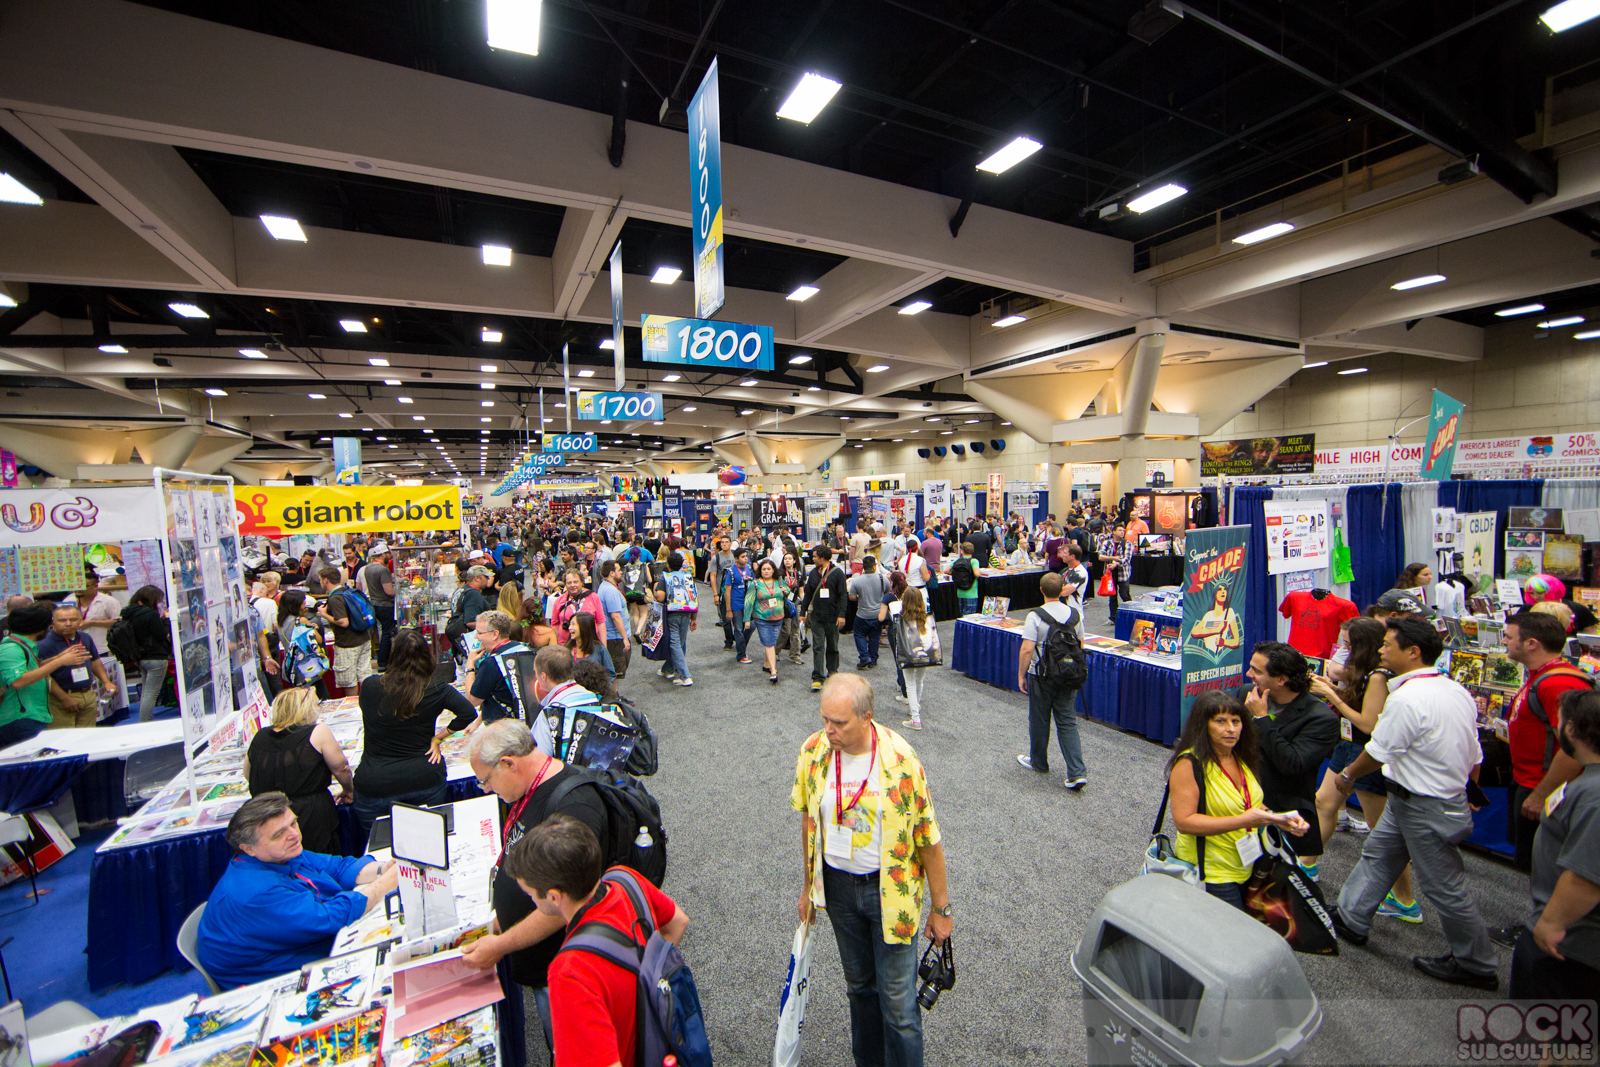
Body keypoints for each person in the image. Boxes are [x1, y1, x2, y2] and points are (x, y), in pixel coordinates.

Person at [791, 674, 950, 1067]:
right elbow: (810, 822)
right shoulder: (813, 752)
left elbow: (927, 838)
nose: (828, 730)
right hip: (838, 890)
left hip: (891, 894)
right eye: (825, 719)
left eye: (839, 722)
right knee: (860, 989)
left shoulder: (901, 759)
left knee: (898, 1004)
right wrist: (809, 888)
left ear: (866, 717)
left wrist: (941, 908)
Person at [1331, 616, 1498, 990]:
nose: (1381, 650)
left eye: (1387, 644)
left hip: (1426, 804)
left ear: (1413, 652)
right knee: (1378, 856)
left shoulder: (1406, 698)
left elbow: (1378, 751)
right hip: (1412, 798)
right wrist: (1468, 789)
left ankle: (1477, 964)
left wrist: (1347, 776)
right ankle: (1350, 918)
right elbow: (1474, 753)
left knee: (1443, 886)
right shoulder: (1453, 689)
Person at [458, 721, 610, 1050]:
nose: (486, 789)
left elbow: (561, 905)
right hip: (542, 961)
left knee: (572, 1047)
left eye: (486, 780)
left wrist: (501, 945)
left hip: (562, 966)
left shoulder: (573, 806)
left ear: (508, 763)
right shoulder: (530, 788)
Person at [499, 814, 687, 1064]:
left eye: (531, 894)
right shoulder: (626, 879)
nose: (531, 901)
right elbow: (678, 922)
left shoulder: (569, 972)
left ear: (554, 897)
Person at [196, 792, 398, 988]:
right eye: (278, 834)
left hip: (296, 943)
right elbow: (327, 918)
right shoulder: (256, 892)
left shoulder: (279, 853)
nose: (294, 835)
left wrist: (383, 869)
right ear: (248, 848)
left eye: (293, 823)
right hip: (274, 975)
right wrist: (387, 882)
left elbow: (335, 867)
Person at [1308, 618, 1420, 921]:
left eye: (1349, 645)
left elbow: (1368, 723)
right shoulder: (1367, 674)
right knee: (1324, 802)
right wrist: (1330, 688)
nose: (1344, 650)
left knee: (1382, 831)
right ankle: (1307, 864)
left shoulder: (1379, 676)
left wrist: (1332, 696)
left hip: (1367, 752)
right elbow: (1359, 705)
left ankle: (1405, 901)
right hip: (1349, 744)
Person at [1167, 690, 1309, 910]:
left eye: (1236, 721)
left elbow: (1248, 802)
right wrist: (1245, 820)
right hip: (1211, 873)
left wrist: (1277, 818)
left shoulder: (1240, 755)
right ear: (1203, 725)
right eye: (1220, 721)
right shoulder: (1189, 764)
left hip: (1246, 864)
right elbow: (1184, 822)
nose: (1231, 729)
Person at [1510, 689, 1600, 1000]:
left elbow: (1585, 877)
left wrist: (1551, 923)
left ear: (1572, 729)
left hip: (1571, 944)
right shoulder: (1587, 781)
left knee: (1554, 1027)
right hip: (1568, 937)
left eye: (1559, 722)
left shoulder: (1594, 795)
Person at [352, 629, 476, 834]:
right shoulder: (435, 688)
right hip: (423, 778)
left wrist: (437, 737)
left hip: (377, 782)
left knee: (378, 847)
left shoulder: (371, 686)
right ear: (426, 656)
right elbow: (468, 712)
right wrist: (438, 737)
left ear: (393, 655)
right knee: (429, 841)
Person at [1500, 610, 1592, 880]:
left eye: (1509, 637)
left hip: (1546, 788)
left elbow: (1576, 749)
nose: (1503, 641)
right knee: (1529, 865)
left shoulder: (1558, 683)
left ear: (1531, 643)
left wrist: (1542, 794)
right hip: (1529, 781)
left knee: (1544, 870)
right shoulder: (1541, 675)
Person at [1235, 641, 1339, 877]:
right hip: (1236, 798)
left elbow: (1292, 764)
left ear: (1281, 679)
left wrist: (1262, 719)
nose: (1249, 674)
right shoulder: (1247, 693)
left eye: (1256, 671)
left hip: (1280, 812)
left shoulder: (1321, 719)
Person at [243, 688, 351, 854]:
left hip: (269, 815)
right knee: (318, 862)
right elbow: (341, 767)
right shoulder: (317, 732)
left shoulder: (260, 736)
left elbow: (248, 773)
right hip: (311, 815)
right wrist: (349, 789)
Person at [1016, 572, 1087, 789]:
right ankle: (1077, 772)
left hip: (1042, 674)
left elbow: (1027, 649)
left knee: (1039, 719)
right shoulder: (1075, 614)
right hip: (1069, 674)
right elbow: (1080, 645)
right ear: (1062, 589)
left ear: (1041, 590)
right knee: (1067, 721)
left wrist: (1021, 674)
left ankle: (1039, 762)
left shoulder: (1035, 616)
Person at [0, 603, 91, 748]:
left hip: (32, 715)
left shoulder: (25, 645)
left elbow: (34, 667)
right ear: (39, 628)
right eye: (49, 625)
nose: (50, 628)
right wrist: (60, 661)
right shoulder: (12, 648)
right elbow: (17, 681)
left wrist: (59, 657)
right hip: (20, 718)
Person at [38, 602, 115, 729]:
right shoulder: (44, 644)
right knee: (65, 737)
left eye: (73, 620)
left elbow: (94, 661)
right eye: (62, 620)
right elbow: (44, 675)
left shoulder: (85, 638)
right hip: (60, 698)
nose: (68, 623)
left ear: (80, 621)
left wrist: (106, 681)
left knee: (87, 735)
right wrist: (64, 698)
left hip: (87, 694)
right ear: (53, 622)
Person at [466, 610, 531, 725]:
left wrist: (470, 665)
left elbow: (473, 700)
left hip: (502, 727)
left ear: (495, 634)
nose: (476, 637)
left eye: (479, 633)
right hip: (527, 721)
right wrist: (476, 724)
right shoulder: (525, 649)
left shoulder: (491, 663)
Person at [314, 567, 372, 691]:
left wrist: (324, 614)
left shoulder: (335, 599)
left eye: (320, 579)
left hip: (347, 644)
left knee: (349, 681)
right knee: (364, 676)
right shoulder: (348, 591)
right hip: (364, 638)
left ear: (326, 580)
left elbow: (343, 622)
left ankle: (353, 703)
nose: (320, 582)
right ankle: (366, 701)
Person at [801, 545, 848, 693]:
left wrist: (842, 615)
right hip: (817, 616)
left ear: (822, 557)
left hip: (833, 616)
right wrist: (802, 612)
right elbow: (808, 594)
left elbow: (843, 595)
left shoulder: (837, 573)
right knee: (818, 647)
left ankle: (833, 671)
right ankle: (817, 677)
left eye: (815, 556)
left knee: (833, 646)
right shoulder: (813, 574)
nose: (813, 559)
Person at [653, 551, 698, 687]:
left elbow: (660, 597)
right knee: (680, 642)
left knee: (674, 643)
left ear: (668, 564)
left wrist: (655, 589)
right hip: (687, 611)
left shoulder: (665, 577)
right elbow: (694, 597)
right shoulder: (688, 577)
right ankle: (668, 669)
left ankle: (685, 676)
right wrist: (694, 618)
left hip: (672, 613)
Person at [896, 586, 938, 731]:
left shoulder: (902, 618)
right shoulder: (926, 616)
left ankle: (915, 718)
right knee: (919, 681)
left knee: (910, 683)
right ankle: (916, 708)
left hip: (908, 653)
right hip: (926, 652)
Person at [744, 558, 789, 684]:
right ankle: (773, 671)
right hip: (761, 618)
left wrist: (786, 591)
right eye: (763, 569)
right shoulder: (755, 584)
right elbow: (748, 601)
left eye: (769, 569)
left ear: (773, 570)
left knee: (772, 643)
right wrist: (747, 619)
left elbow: (788, 591)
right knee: (769, 643)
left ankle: (766, 664)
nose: (766, 571)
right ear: (760, 571)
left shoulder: (779, 581)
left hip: (778, 618)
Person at [848, 555, 890, 670]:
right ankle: (873, 659)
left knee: (859, 634)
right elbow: (888, 592)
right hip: (878, 614)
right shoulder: (883, 579)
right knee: (874, 637)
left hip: (862, 614)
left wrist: (859, 597)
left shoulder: (857, 581)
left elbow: (851, 597)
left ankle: (864, 656)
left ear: (863, 567)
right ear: (874, 567)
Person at [359, 546, 395, 675]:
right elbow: (388, 590)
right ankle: (383, 662)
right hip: (385, 605)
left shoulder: (368, 568)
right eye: (388, 553)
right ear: (383, 554)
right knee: (387, 633)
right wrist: (400, 592)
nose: (390, 556)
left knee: (380, 632)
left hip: (374, 603)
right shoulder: (383, 570)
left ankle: (381, 661)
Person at [725, 546, 753, 664]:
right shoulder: (731, 571)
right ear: (736, 558)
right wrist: (728, 610)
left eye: (746, 556)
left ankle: (740, 645)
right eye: (743, 557)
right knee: (738, 629)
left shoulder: (748, 568)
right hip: (736, 604)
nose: (746, 558)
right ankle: (741, 655)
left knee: (751, 626)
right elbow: (727, 591)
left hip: (748, 604)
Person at [566, 611, 615, 676]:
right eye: (570, 624)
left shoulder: (600, 649)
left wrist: (601, 682)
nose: (569, 628)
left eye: (573, 624)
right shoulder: (567, 649)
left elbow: (610, 674)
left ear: (584, 626)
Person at [75, 569, 120, 633]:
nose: (79, 588)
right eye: (76, 585)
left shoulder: (109, 601)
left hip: (101, 639)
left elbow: (118, 622)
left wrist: (92, 623)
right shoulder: (68, 601)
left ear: (95, 586)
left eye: (84, 586)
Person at [950, 542, 979, 617]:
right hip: (971, 593)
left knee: (961, 614)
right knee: (970, 616)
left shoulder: (957, 561)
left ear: (962, 551)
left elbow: (946, 570)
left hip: (960, 592)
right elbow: (976, 573)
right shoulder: (974, 561)